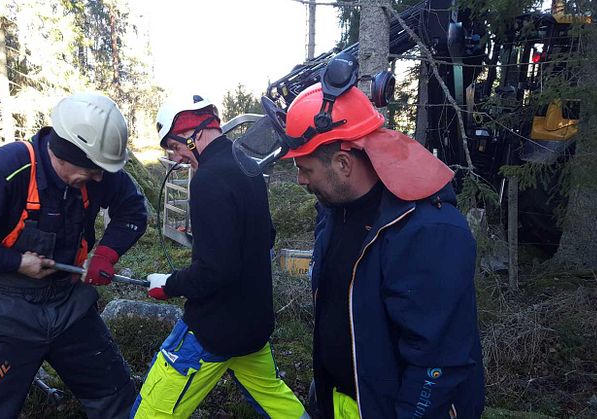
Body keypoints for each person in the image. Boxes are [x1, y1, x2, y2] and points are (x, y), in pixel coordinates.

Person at [0, 92, 147, 418]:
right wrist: (15, 262)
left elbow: (133, 212)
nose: (98, 179)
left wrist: (106, 254)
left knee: (120, 400)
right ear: (65, 153)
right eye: (93, 170)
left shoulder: (99, 171)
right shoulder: (5, 171)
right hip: (7, 311)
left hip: (71, 306)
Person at [280, 83, 485, 418]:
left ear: (343, 164)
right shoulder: (336, 209)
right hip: (342, 401)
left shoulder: (428, 231)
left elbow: (437, 362)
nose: (302, 181)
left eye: (306, 169)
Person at [131, 95, 309, 418]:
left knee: (149, 412)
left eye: (174, 146)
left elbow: (216, 271)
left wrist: (168, 284)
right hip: (254, 326)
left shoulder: (208, 179)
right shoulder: (247, 166)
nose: (176, 157)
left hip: (212, 331)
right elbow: (265, 236)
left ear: (194, 134)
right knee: (279, 404)